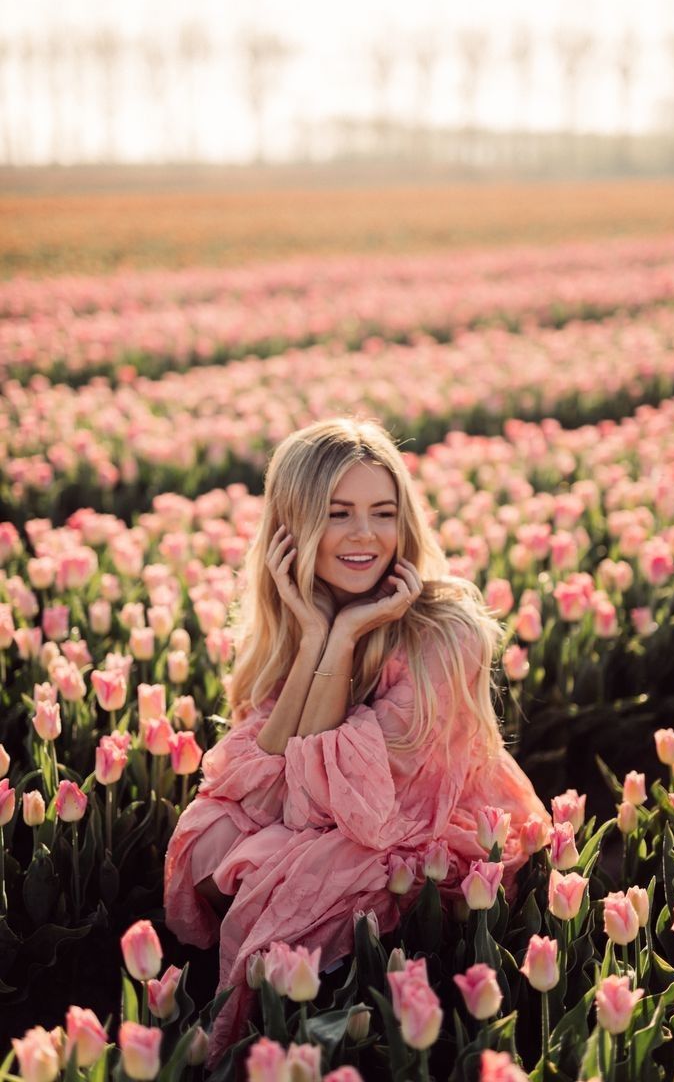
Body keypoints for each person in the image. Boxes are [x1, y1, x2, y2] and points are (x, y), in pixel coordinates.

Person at [164, 417, 548, 1064]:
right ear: (294, 527)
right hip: (339, 813)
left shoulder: (444, 630)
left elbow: (327, 808)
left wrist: (340, 641)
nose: (365, 535)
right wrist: (323, 637)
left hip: (425, 831)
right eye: (338, 514)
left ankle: (297, 1033)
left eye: (383, 512)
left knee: (292, 875)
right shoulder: (301, 617)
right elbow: (252, 783)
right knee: (209, 833)